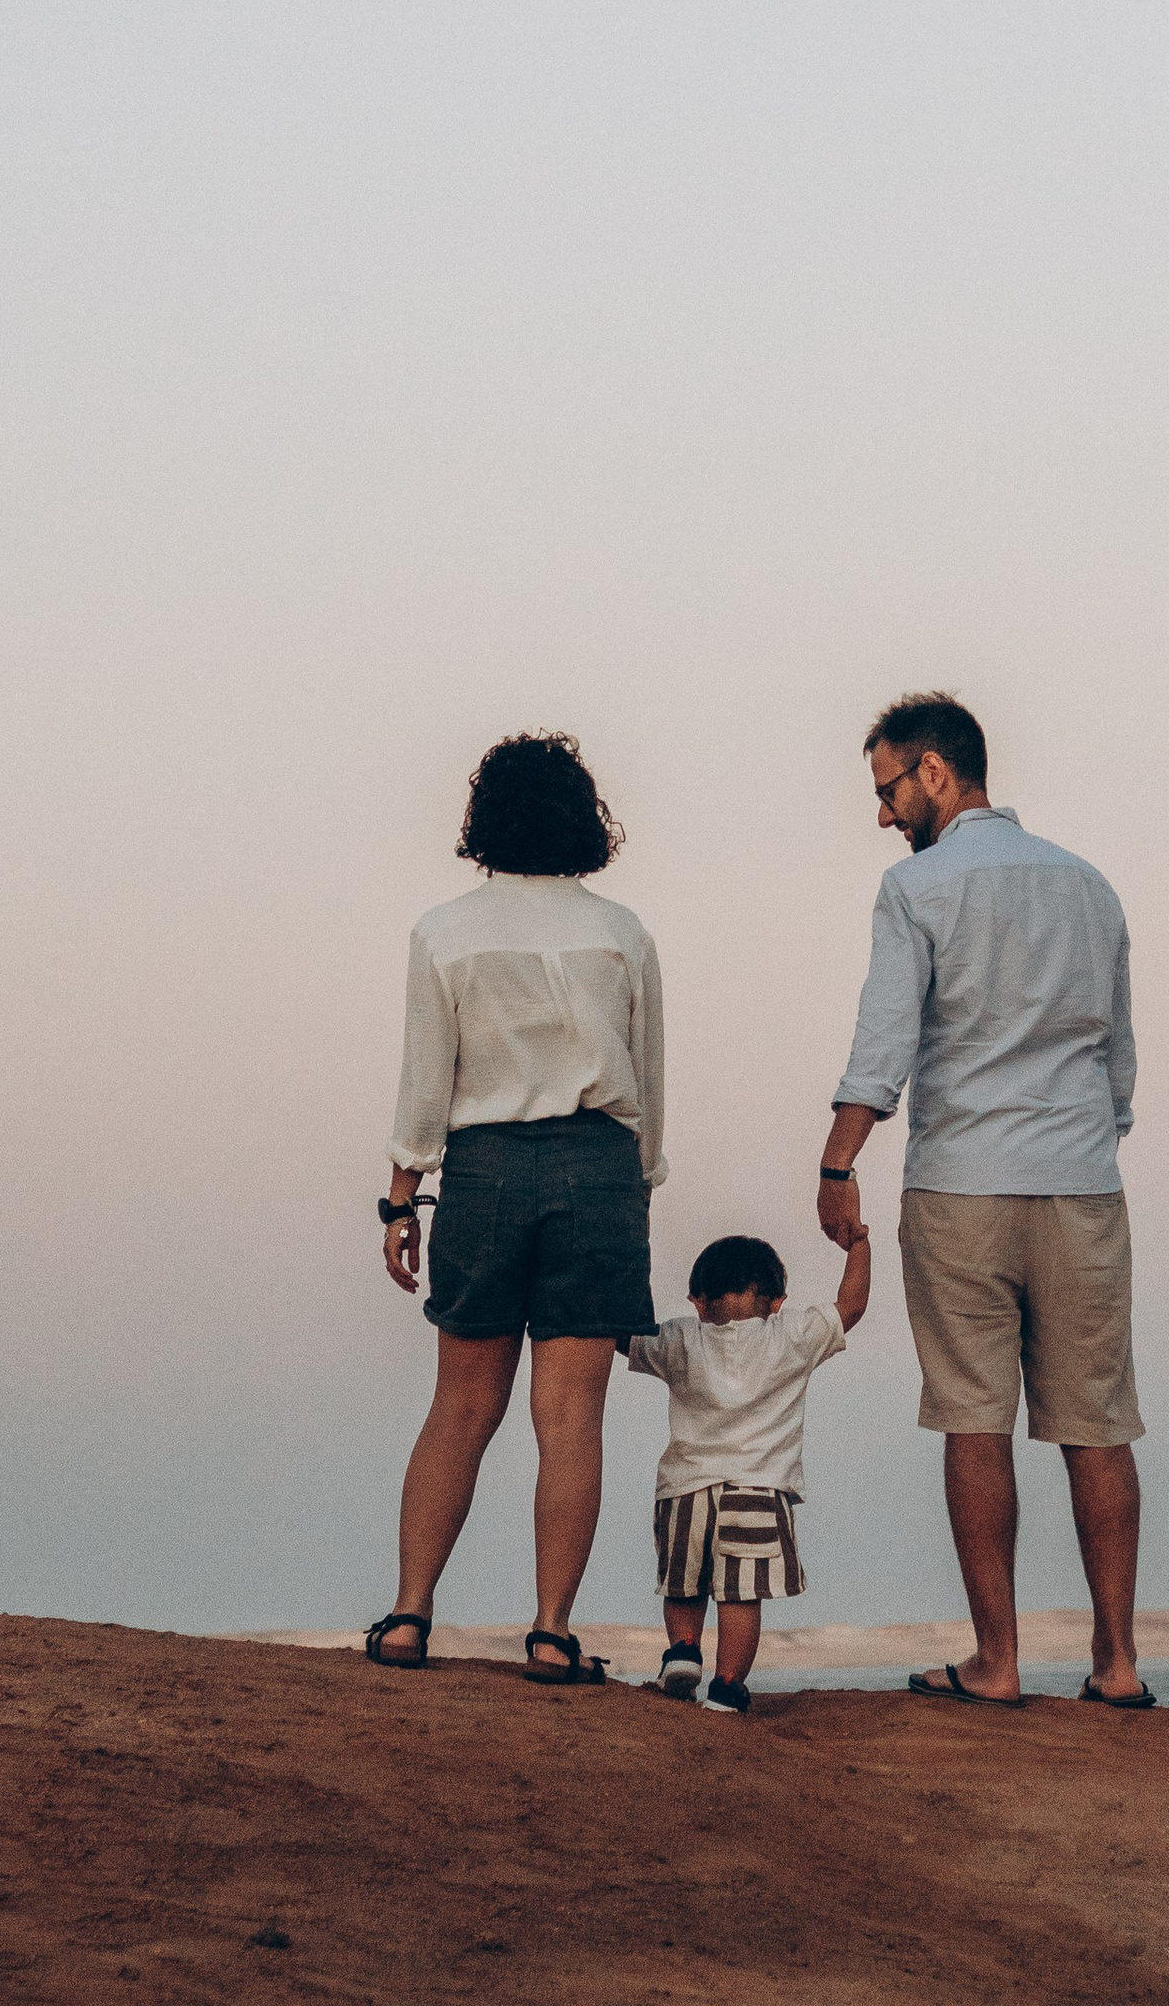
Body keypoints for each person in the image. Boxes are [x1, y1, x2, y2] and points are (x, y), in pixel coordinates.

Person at [816, 693, 1151, 1712]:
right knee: (1098, 1425)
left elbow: (886, 1043)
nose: (880, 816)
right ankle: (1119, 1662)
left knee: (974, 1420)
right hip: (1081, 1181)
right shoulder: (1088, 885)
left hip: (961, 1182)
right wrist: (1093, 1134)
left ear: (932, 772)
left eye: (886, 790)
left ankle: (997, 1663)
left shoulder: (915, 887)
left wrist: (837, 1166)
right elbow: (1119, 1056)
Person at [365, 732, 664, 1684]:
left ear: (483, 818)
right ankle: (549, 1631)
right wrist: (636, 1184)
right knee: (570, 1413)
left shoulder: (444, 932)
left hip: (484, 1167)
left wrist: (401, 1195)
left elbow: (426, 1079)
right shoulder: (622, 933)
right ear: (585, 816)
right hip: (600, 1163)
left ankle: (410, 1616)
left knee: (460, 1405)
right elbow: (648, 1078)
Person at [620, 1226, 872, 1714]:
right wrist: (858, 1245)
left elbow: (618, 1334)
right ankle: (728, 1684)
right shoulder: (793, 1334)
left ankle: (684, 1651)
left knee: (683, 1583)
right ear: (777, 1300)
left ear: (697, 1301)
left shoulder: (677, 1337)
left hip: (684, 1489)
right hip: (759, 1489)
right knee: (739, 1595)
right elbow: (852, 1307)